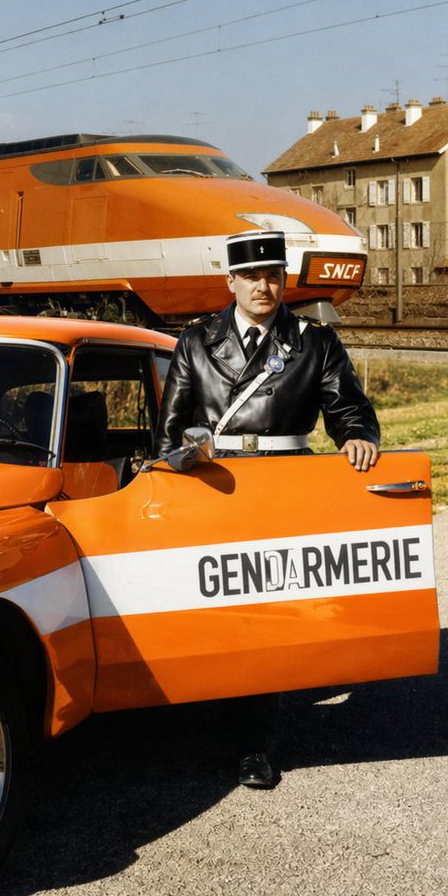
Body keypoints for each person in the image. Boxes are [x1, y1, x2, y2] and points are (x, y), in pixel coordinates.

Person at [155, 229, 380, 790]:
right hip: (214, 486)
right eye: (251, 276)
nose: (264, 285)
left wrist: (356, 436)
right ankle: (205, 716)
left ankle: (253, 746)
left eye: (273, 275)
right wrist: (174, 474)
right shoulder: (195, 341)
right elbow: (169, 429)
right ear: (229, 281)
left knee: (263, 617)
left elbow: (348, 406)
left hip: (281, 488)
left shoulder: (314, 342)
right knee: (212, 610)